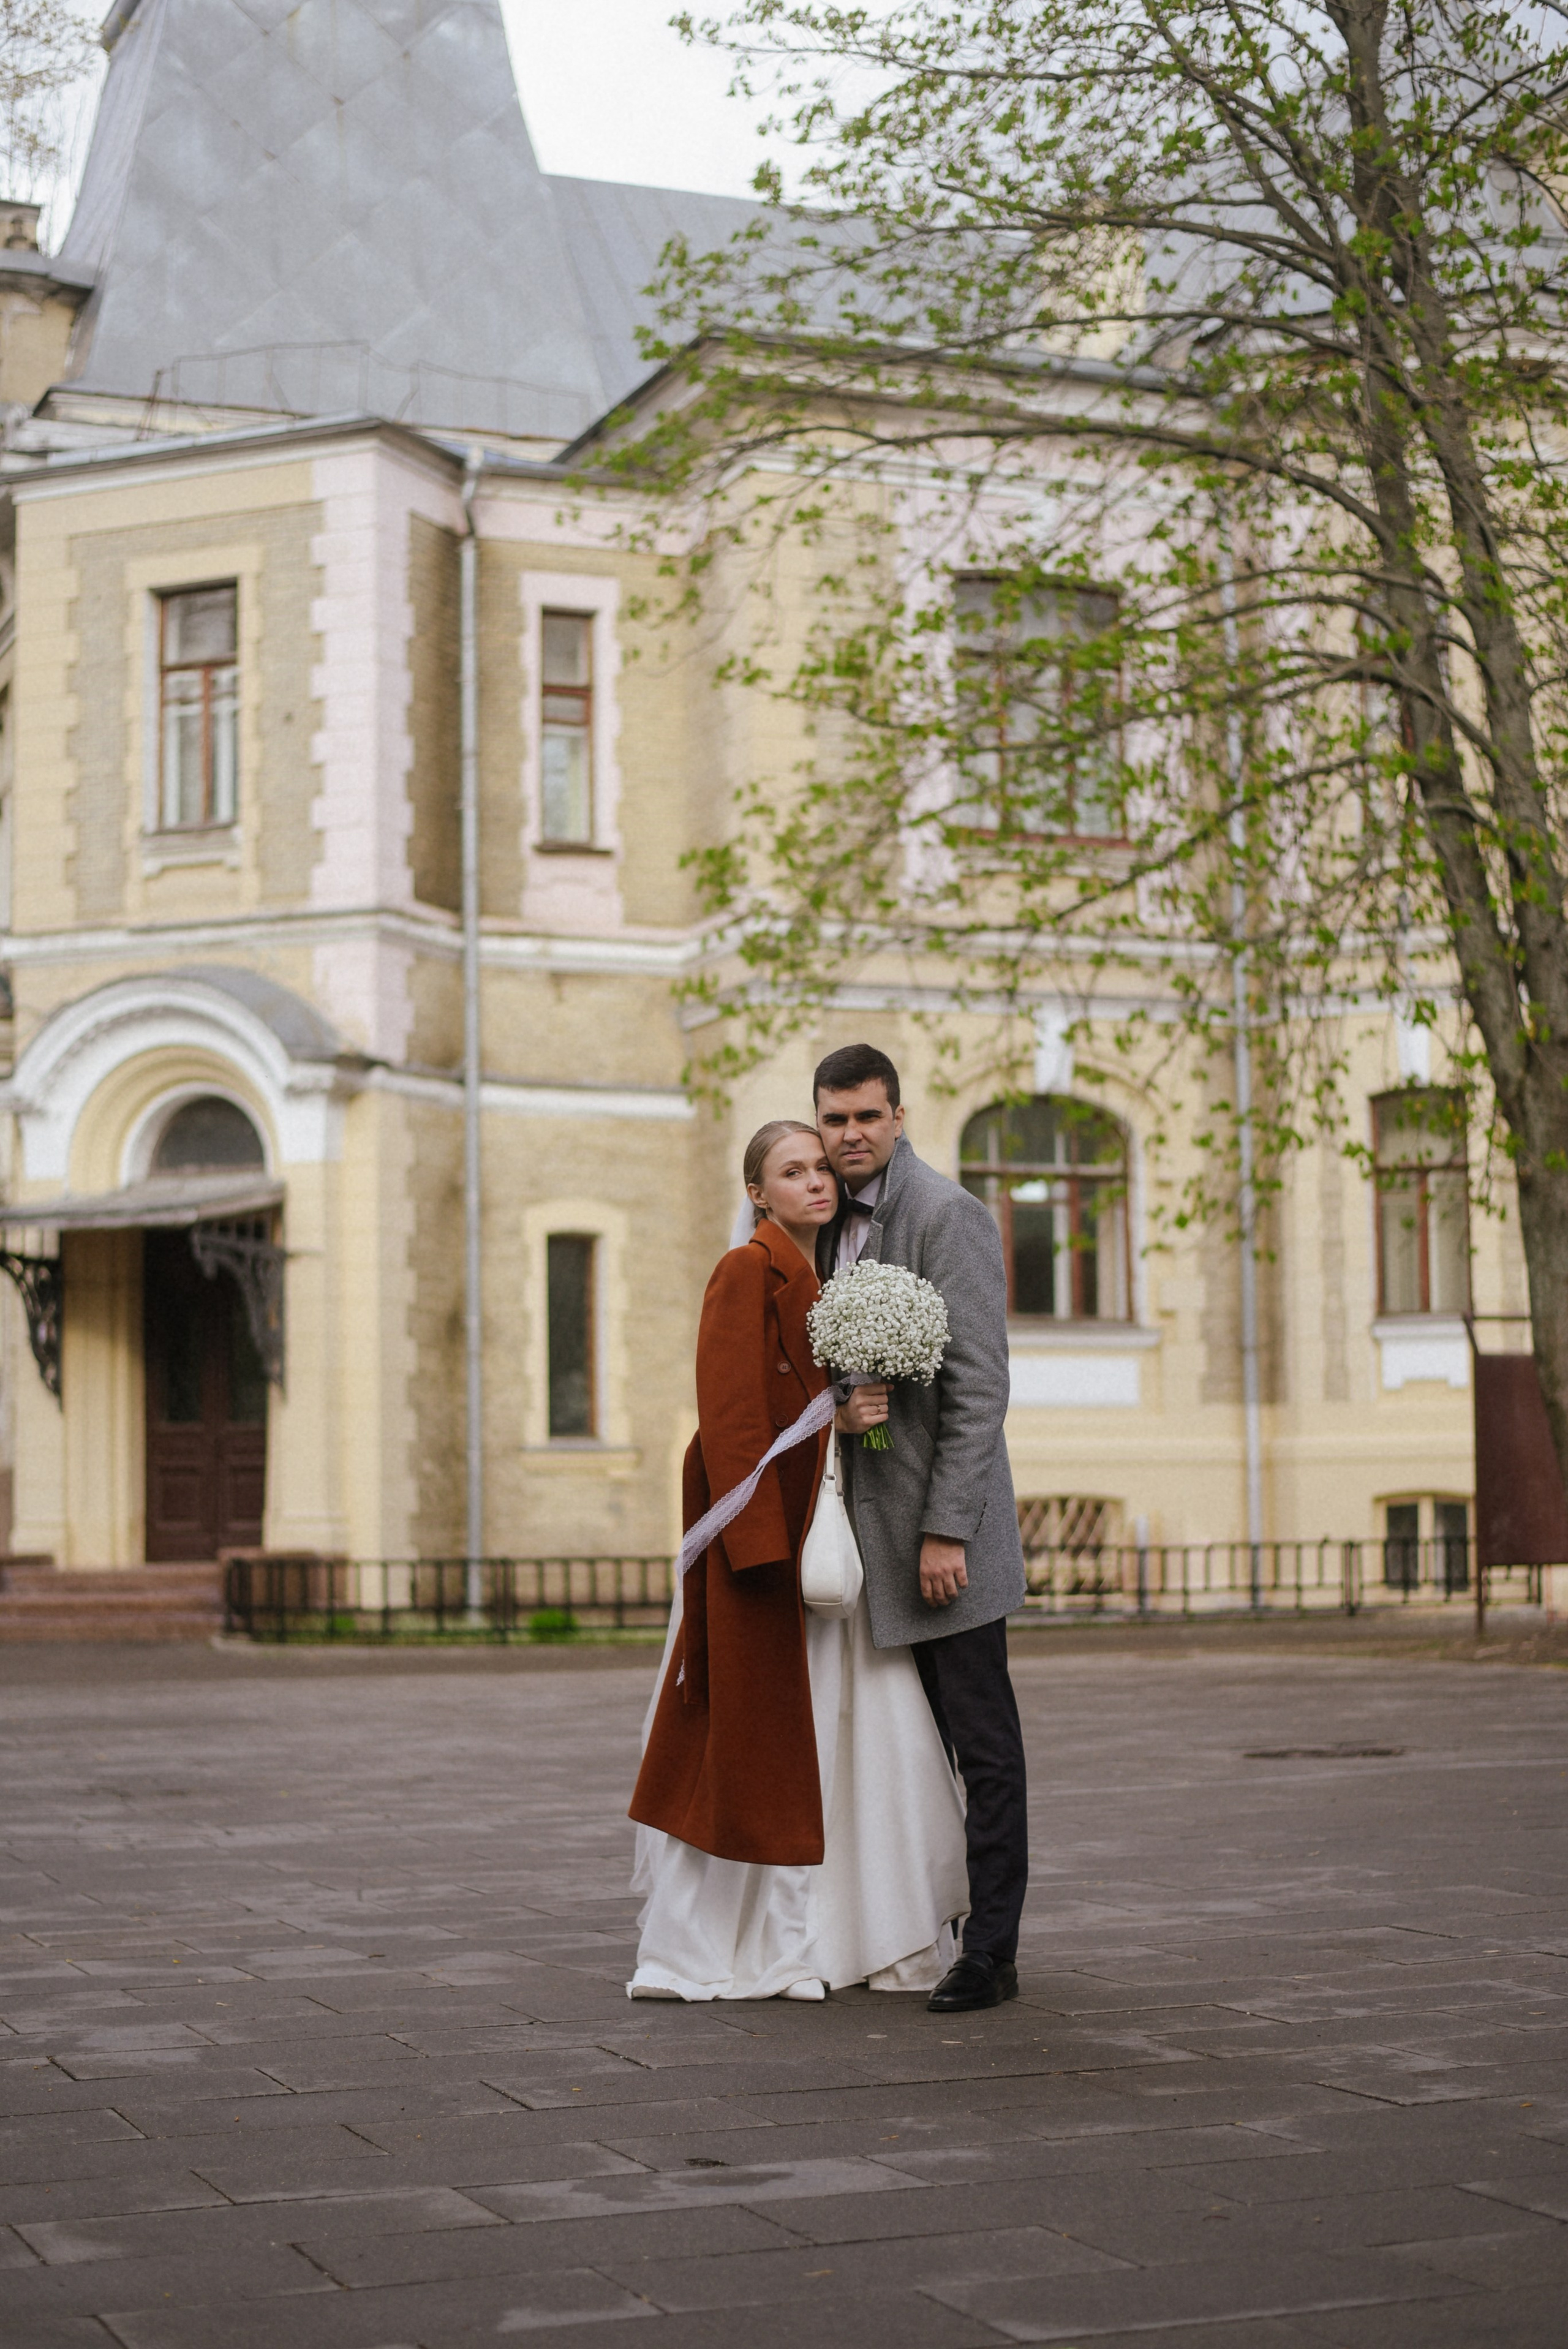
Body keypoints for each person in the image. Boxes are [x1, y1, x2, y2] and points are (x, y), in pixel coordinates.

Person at [627, 1118, 968, 2000]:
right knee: (755, 1745)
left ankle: (836, 1932)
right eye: (791, 1171)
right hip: (764, 1547)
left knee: (837, 1738)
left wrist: (852, 1415)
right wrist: (757, 1556)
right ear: (757, 1192)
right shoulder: (746, 1270)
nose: (816, 1181)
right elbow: (731, 1417)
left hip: (820, 1540)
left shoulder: (827, 1278)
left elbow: (808, 1409)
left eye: (821, 1168)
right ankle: (749, 1946)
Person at [813, 1043, 1030, 2013]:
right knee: (901, 1754)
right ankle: (906, 1928)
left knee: (980, 1748)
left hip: (944, 1542)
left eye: (867, 1116)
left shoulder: (948, 1215)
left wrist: (947, 1530)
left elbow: (980, 1387)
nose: (850, 1134)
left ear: (898, 1117)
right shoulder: (821, 1226)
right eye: (834, 1119)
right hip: (863, 1544)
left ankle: (991, 1951)